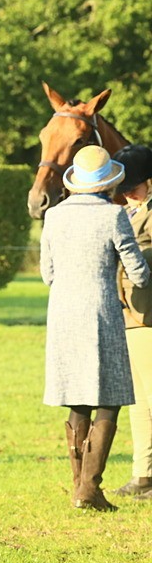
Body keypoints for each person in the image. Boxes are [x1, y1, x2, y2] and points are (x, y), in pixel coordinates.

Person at [42, 145, 150, 511]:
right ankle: (89, 488)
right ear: (108, 183)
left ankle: (78, 486)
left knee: (78, 399)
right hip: (102, 313)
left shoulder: (54, 217)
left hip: (62, 314)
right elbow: (138, 271)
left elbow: (47, 274)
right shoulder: (113, 216)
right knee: (109, 399)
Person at [113, 144, 152, 499]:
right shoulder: (126, 213)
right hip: (130, 316)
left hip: (149, 316)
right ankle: (143, 474)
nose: (127, 193)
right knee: (139, 402)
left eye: (134, 187)